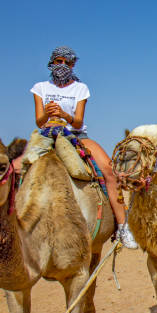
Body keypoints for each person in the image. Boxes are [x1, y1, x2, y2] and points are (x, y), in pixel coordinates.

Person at [30, 46, 139, 248]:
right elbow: (39, 121)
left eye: (67, 62)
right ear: (52, 62)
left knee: (109, 170)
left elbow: (78, 122)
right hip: (47, 135)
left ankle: (123, 226)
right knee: (16, 168)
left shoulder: (80, 89)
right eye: (58, 61)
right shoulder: (40, 88)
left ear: (73, 65)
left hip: (76, 135)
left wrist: (64, 115)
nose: (62, 65)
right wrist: (48, 113)